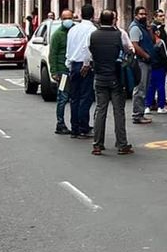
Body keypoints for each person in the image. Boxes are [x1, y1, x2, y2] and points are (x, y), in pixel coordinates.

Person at [88, 9, 133, 156]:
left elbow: (90, 53)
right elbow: (129, 49)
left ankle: (97, 144)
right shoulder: (119, 35)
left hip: (99, 76)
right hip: (115, 77)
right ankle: (121, 144)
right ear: (113, 20)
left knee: (100, 110)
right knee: (118, 111)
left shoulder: (93, 36)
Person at [65, 9, 97, 138]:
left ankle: (74, 128)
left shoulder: (73, 29)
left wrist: (69, 64)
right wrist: (87, 63)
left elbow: (69, 48)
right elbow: (88, 47)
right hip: (84, 65)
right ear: (93, 15)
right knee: (85, 97)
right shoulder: (92, 29)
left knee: (74, 97)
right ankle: (83, 127)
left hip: (73, 64)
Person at [48, 9, 75, 135]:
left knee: (75, 98)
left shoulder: (75, 31)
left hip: (74, 70)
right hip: (63, 71)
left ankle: (77, 123)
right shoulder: (58, 35)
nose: (68, 20)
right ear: (61, 19)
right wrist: (54, 71)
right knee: (63, 98)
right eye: (65, 18)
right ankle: (60, 123)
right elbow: (52, 54)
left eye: (70, 18)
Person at [127, 7, 154, 126]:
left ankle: (140, 113)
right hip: (141, 62)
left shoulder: (143, 27)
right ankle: (137, 114)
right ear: (135, 15)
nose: (143, 16)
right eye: (141, 14)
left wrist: (149, 30)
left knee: (145, 87)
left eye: (145, 14)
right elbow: (134, 45)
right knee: (140, 88)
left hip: (147, 61)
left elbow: (152, 40)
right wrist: (146, 55)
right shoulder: (135, 28)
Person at [145, 15, 167, 116]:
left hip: (150, 66)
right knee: (160, 86)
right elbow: (165, 56)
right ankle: (161, 106)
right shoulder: (160, 42)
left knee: (150, 87)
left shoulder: (147, 43)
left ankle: (147, 105)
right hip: (160, 67)